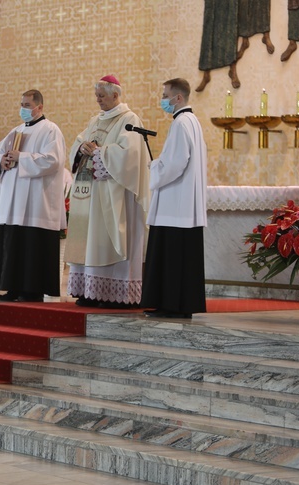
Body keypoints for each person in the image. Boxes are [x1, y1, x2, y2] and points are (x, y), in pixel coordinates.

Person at [65, 75, 150, 309]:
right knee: (89, 242)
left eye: (102, 96)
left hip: (115, 196)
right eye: (96, 96)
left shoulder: (129, 119)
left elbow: (131, 156)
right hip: (91, 195)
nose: (98, 100)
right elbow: (79, 142)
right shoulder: (96, 120)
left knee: (109, 241)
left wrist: (100, 153)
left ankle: (117, 293)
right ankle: (90, 291)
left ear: (115, 95)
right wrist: (82, 148)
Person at [0, 89, 67, 303]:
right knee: (14, 242)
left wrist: (21, 157)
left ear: (39, 107)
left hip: (36, 202)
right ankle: (12, 288)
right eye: (22, 104)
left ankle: (32, 291)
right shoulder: (16, 131)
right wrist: (2, 160)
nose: (23, 109)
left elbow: (53, 160)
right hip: (13, 203)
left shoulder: (51, 130)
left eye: (28, 105)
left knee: (32, 245)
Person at [141, 78, 208, 319]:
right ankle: (178, 304)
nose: (163, 100)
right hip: (181, 204)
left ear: (178, 98)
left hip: (174, 203)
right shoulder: (192, 121)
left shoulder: (181, 123)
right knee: (180, 257)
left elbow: (176, 162)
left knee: (170, 256)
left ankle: (170, 305)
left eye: (165, 95)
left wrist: (154, 168)